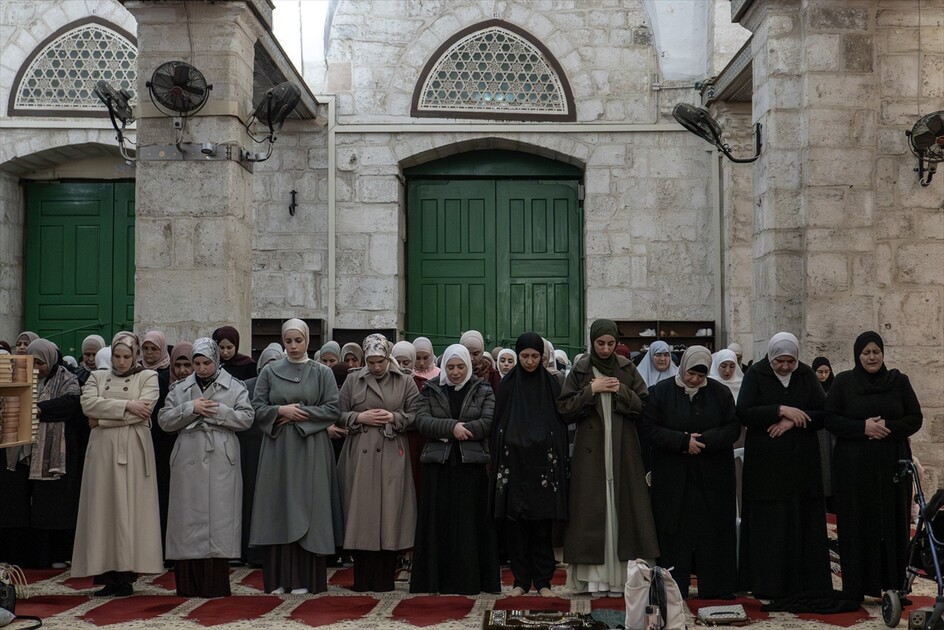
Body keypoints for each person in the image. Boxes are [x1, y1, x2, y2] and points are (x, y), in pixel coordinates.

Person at [557, 319, 659, 597]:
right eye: (600, 343)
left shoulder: (628, 369)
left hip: (623, 450)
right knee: (592, 509)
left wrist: (619, 390)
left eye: (610, 344)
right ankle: (595, 580)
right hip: (591, 454)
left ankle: (621, 580)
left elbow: (643, 407)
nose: (604, 349)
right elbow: (565, 409)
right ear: (591, 342)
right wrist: (591, 390)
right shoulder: (578, 371)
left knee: (622, 507)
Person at [825, 331, 923, 602]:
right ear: (858, 355)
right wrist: (862, 427)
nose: (871, 357)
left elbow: (915, 418)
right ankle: (856, 588)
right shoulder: (844, 382)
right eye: (866, 352)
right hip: (854, 469)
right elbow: (830, 418)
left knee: (893, 524)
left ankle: (894, 586)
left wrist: (887, 427)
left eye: (876, 352)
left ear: (882, 353)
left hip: (892, 464)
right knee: (857, 522)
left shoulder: (898, 382)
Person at [249, 319, 343, 595]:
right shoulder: (269, 371)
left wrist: (299, 414)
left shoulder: (322, 372)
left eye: (297, 341)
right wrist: (279, 412)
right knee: (278, 506)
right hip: (278, 449)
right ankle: (279, 579)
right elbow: (256, 407)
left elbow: (332, 409)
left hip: (311, 445)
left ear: (306, 341)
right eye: (288, 341)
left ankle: (305, 579)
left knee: (310, 506)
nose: (292, 346)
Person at [640, 345, 740, 599]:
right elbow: (649, 428)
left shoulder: (719, 393)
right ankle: (674, 589)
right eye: (691, 374)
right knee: (675, 530)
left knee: (711, 530)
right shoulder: (660, 392)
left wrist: (704, 440)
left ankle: (715, 588)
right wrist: (682, 441)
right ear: (682, 367)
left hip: (712, 476)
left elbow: (732, 428)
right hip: (674, 476)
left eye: (700, 376)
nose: (694, 380)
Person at [735, 332, 830, 599]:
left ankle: (803, 582)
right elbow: (744, 411)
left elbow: (824, 414)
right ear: (771, 358)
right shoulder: (756, 374)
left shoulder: (806, 376)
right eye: (780, 362)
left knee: (802, 521)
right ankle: (768, 584)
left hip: (802, 466)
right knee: (771, 526)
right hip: (767, 468)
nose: (786, 367)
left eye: (790, 361)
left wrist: (794, 420)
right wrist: (779, 410)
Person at [159, 338, 253, 597]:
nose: (200, 368)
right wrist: (191, 407)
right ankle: (188, 583)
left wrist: (217, 411)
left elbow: (247, 417)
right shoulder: (179, 389)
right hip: (188, 453)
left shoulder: (235, 386)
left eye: (206, 363)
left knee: (218, 518)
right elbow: (164, 420)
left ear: (217, 361)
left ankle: (215, 583)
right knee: (187, 519)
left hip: (220, 455)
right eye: (196, 363)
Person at [72, 332, 163, 596]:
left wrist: (103, 419)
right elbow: (88, 404)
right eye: (117, 357)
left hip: (133, 450)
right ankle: (106, 573)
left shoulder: (148, 376)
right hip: (102, 451)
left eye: (126, 356)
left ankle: (126, 575)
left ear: (135, 356)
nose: (121, 362)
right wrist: (127, 407)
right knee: (103, 510)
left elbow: (144, 411)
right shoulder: (97, 376)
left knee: (130, 510)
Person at [410, 344, 500, 595]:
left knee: (470, 524)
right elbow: (422, 420)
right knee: (439, 523)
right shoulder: (430, 389)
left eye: (461, 366)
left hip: (470, 465)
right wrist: (452, 428)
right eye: (451, 367)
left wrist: (461, 431)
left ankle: (469, 581)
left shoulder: (483, 389)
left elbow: (488, 421)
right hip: (439, 465)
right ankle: (436, 581)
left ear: (468, 367)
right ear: (444, 367)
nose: (456, 372)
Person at [337, 334, 419, 592]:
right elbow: (337, 412)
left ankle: (387, 576)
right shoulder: (352, 379)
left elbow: (417, 413)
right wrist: (359, 416)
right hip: (360, 453)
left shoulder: (405, 380)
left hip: (392, 450)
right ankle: (362, 577)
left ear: (387, 356)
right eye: (371, 362)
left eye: (380, 361)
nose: (376, 367)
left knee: (390, 512)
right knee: (362, 513)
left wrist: (393, 417)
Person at [490, 333, 568, 597]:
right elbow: (498, 424)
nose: (530, 361)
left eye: (535, 356)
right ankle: (521, 581)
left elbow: (559, 423)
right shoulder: (508, 385)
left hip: (543, 466)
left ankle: (544, 581)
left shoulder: (551, 384)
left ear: (543, 357)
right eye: (525, 356)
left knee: (541, 525)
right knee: (516, 526)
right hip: (514, 464)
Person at [238, 342, 284, 567]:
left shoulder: (287, 386)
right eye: (267, 364)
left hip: (280, 449)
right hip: (253, 450)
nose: (270, 370)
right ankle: (253, 553)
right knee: (253, 500)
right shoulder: (247, 386)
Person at [142, 330, 175, 551]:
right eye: (146, 349)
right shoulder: (138, 373)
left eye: (155, 349)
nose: (150, 353)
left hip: (164, 440)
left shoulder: (167, 374)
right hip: (143, 437)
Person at [811, 356, 836, 509]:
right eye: (820, 372)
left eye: (827, 371)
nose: (823, 375)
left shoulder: (834, 388)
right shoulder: (811, 388)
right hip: (818, 434)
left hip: (832, 435)